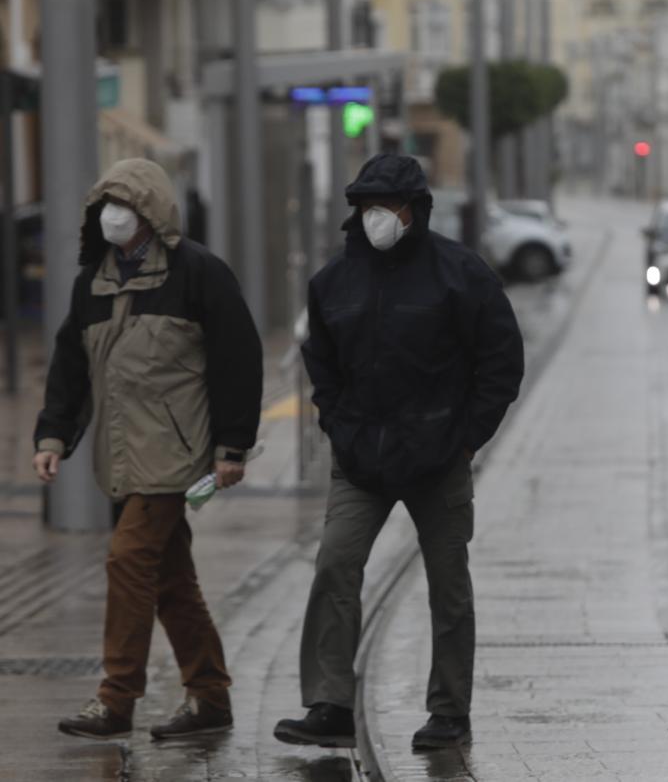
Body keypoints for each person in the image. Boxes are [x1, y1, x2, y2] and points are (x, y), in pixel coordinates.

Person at [274, 154, 524, 752]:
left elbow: (502, 360)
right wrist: (336, 422)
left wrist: (466, 437)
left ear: (415, 211)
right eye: (366, 207)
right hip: (361, 457)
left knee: (448, 585)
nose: (376, 218)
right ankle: (329, 703)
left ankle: (449, 711)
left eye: (387, 207)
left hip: (438, 456)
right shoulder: (335, 280)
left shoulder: (460, 274)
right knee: (335, 563)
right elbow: (321, 359)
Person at [35, 158, 263, 740]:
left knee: (128, 559)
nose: (113, 216)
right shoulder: (94, 282)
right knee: (168, 579)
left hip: (172, 451)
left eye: (126, 206)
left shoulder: (199, 273)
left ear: (151, 213)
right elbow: (71, 366)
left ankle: (116, 700)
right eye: (106, 205)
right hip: (121, 453)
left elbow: (239, 360)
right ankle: (210, 695)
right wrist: (53, 434)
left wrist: (232, 447)